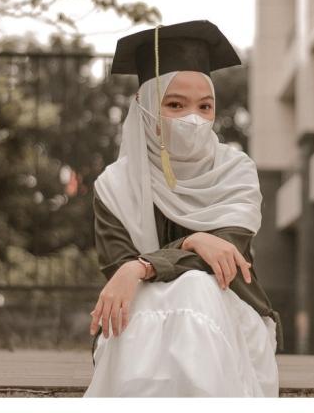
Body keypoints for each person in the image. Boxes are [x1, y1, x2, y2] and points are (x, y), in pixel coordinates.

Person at [83, 20, 282, 398]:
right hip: (138, 322)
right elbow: (118, 274)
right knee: (179, 290)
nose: (193, 117)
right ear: (146, 110)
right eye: (175, 105)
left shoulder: (235, 173)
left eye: (205, 106)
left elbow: (225, 259)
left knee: (196, 286)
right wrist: (194, 245)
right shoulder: (115, 185)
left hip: (231, 315)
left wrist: (143, 265)